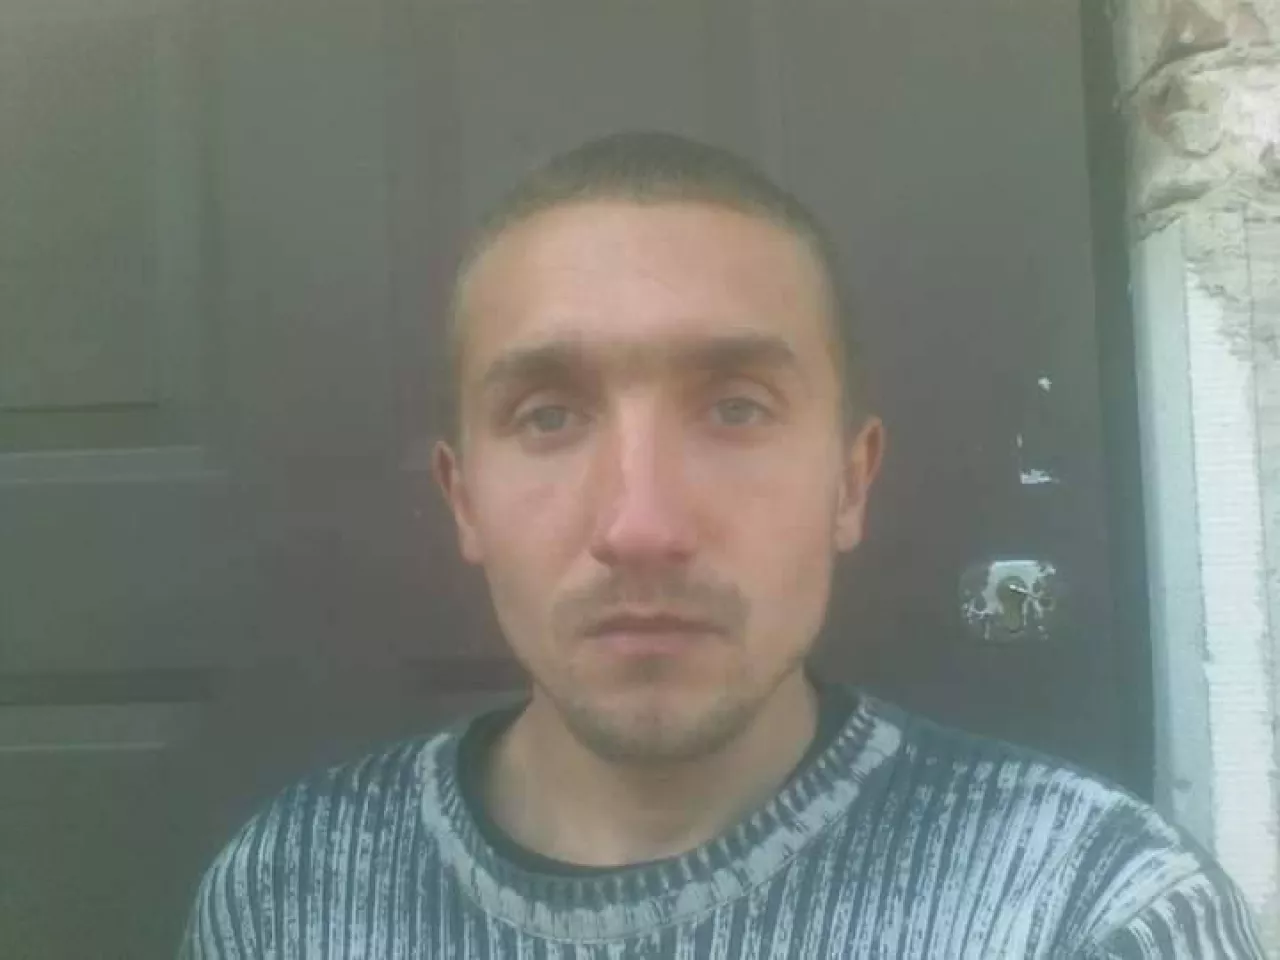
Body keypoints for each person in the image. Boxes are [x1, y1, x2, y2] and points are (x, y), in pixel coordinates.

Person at [180, 131, 1266, 958]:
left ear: (851, 482)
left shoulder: (1093, 912)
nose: (641, 526)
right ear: (463, 501)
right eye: (549, 416)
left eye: (736, 408)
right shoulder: (288, 900)